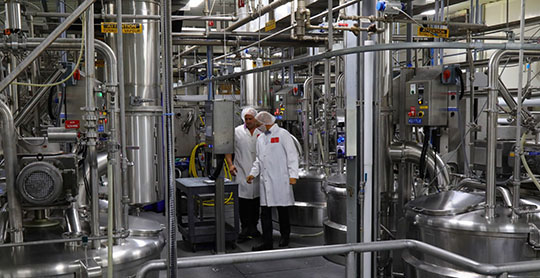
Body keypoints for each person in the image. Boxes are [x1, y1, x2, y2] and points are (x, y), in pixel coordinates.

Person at [247, 111, 299, 251]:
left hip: (280, 179)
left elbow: (292, 155)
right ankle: (267, 242)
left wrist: (293, 175)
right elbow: (259, 160)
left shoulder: (283, 134)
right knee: (265, 213)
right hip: (266, 182)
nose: (257, 127)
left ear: (266, 122)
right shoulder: (260, 139)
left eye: (258, 124)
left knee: (283, 210)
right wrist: (253, 174)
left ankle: (285, 236)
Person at [225, 107, 263, 241]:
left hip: (258, 173)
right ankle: (244, 228)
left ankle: (254, 228)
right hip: (241, 171)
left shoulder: (262, 132)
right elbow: (228, 150)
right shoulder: (237, 132)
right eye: (246, 119)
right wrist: (230, 164)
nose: (248, 121)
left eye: (250, 119)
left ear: (255, 118)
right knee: (243, 202)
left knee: (256, 202)